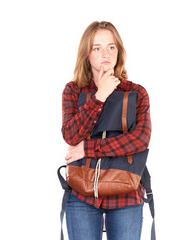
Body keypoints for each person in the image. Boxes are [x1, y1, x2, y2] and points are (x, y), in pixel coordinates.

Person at [61, 21, 151, 240]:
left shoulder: (136, 92)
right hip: (81, 196)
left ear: (119, 52)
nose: (106, 54)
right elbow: (71, 135)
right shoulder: (74, 90)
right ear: (86, 54)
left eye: (112, 47)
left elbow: (140, 139)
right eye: (97, 48)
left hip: (126, 195)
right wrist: (100, 95)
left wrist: (88, 148)